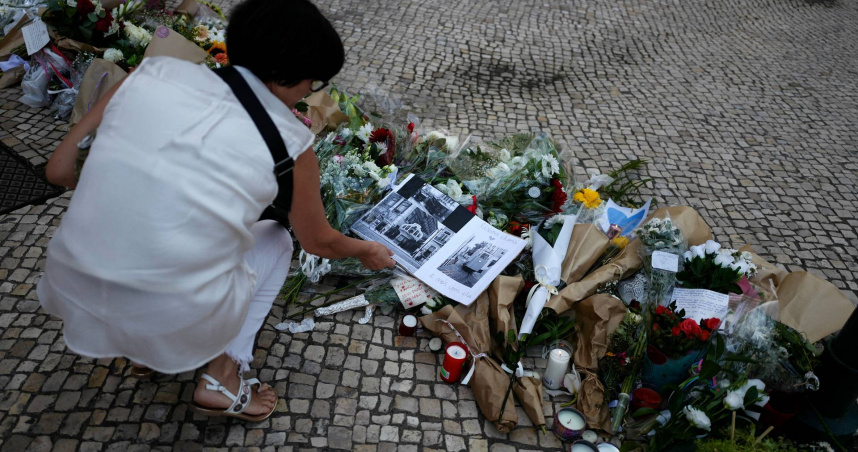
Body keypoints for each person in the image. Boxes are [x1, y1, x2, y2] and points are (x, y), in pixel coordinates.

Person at [38, 0, 394, 422]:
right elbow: (319, 241)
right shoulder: (291, 143)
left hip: (74, 280)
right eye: (312, 82)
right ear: (287, 77)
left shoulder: (150, 73)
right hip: (172, 310)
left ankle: (142, 353)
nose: (308, 93)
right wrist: (364, 251)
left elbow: (58, 169)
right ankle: (222, 379)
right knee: (278, 240)